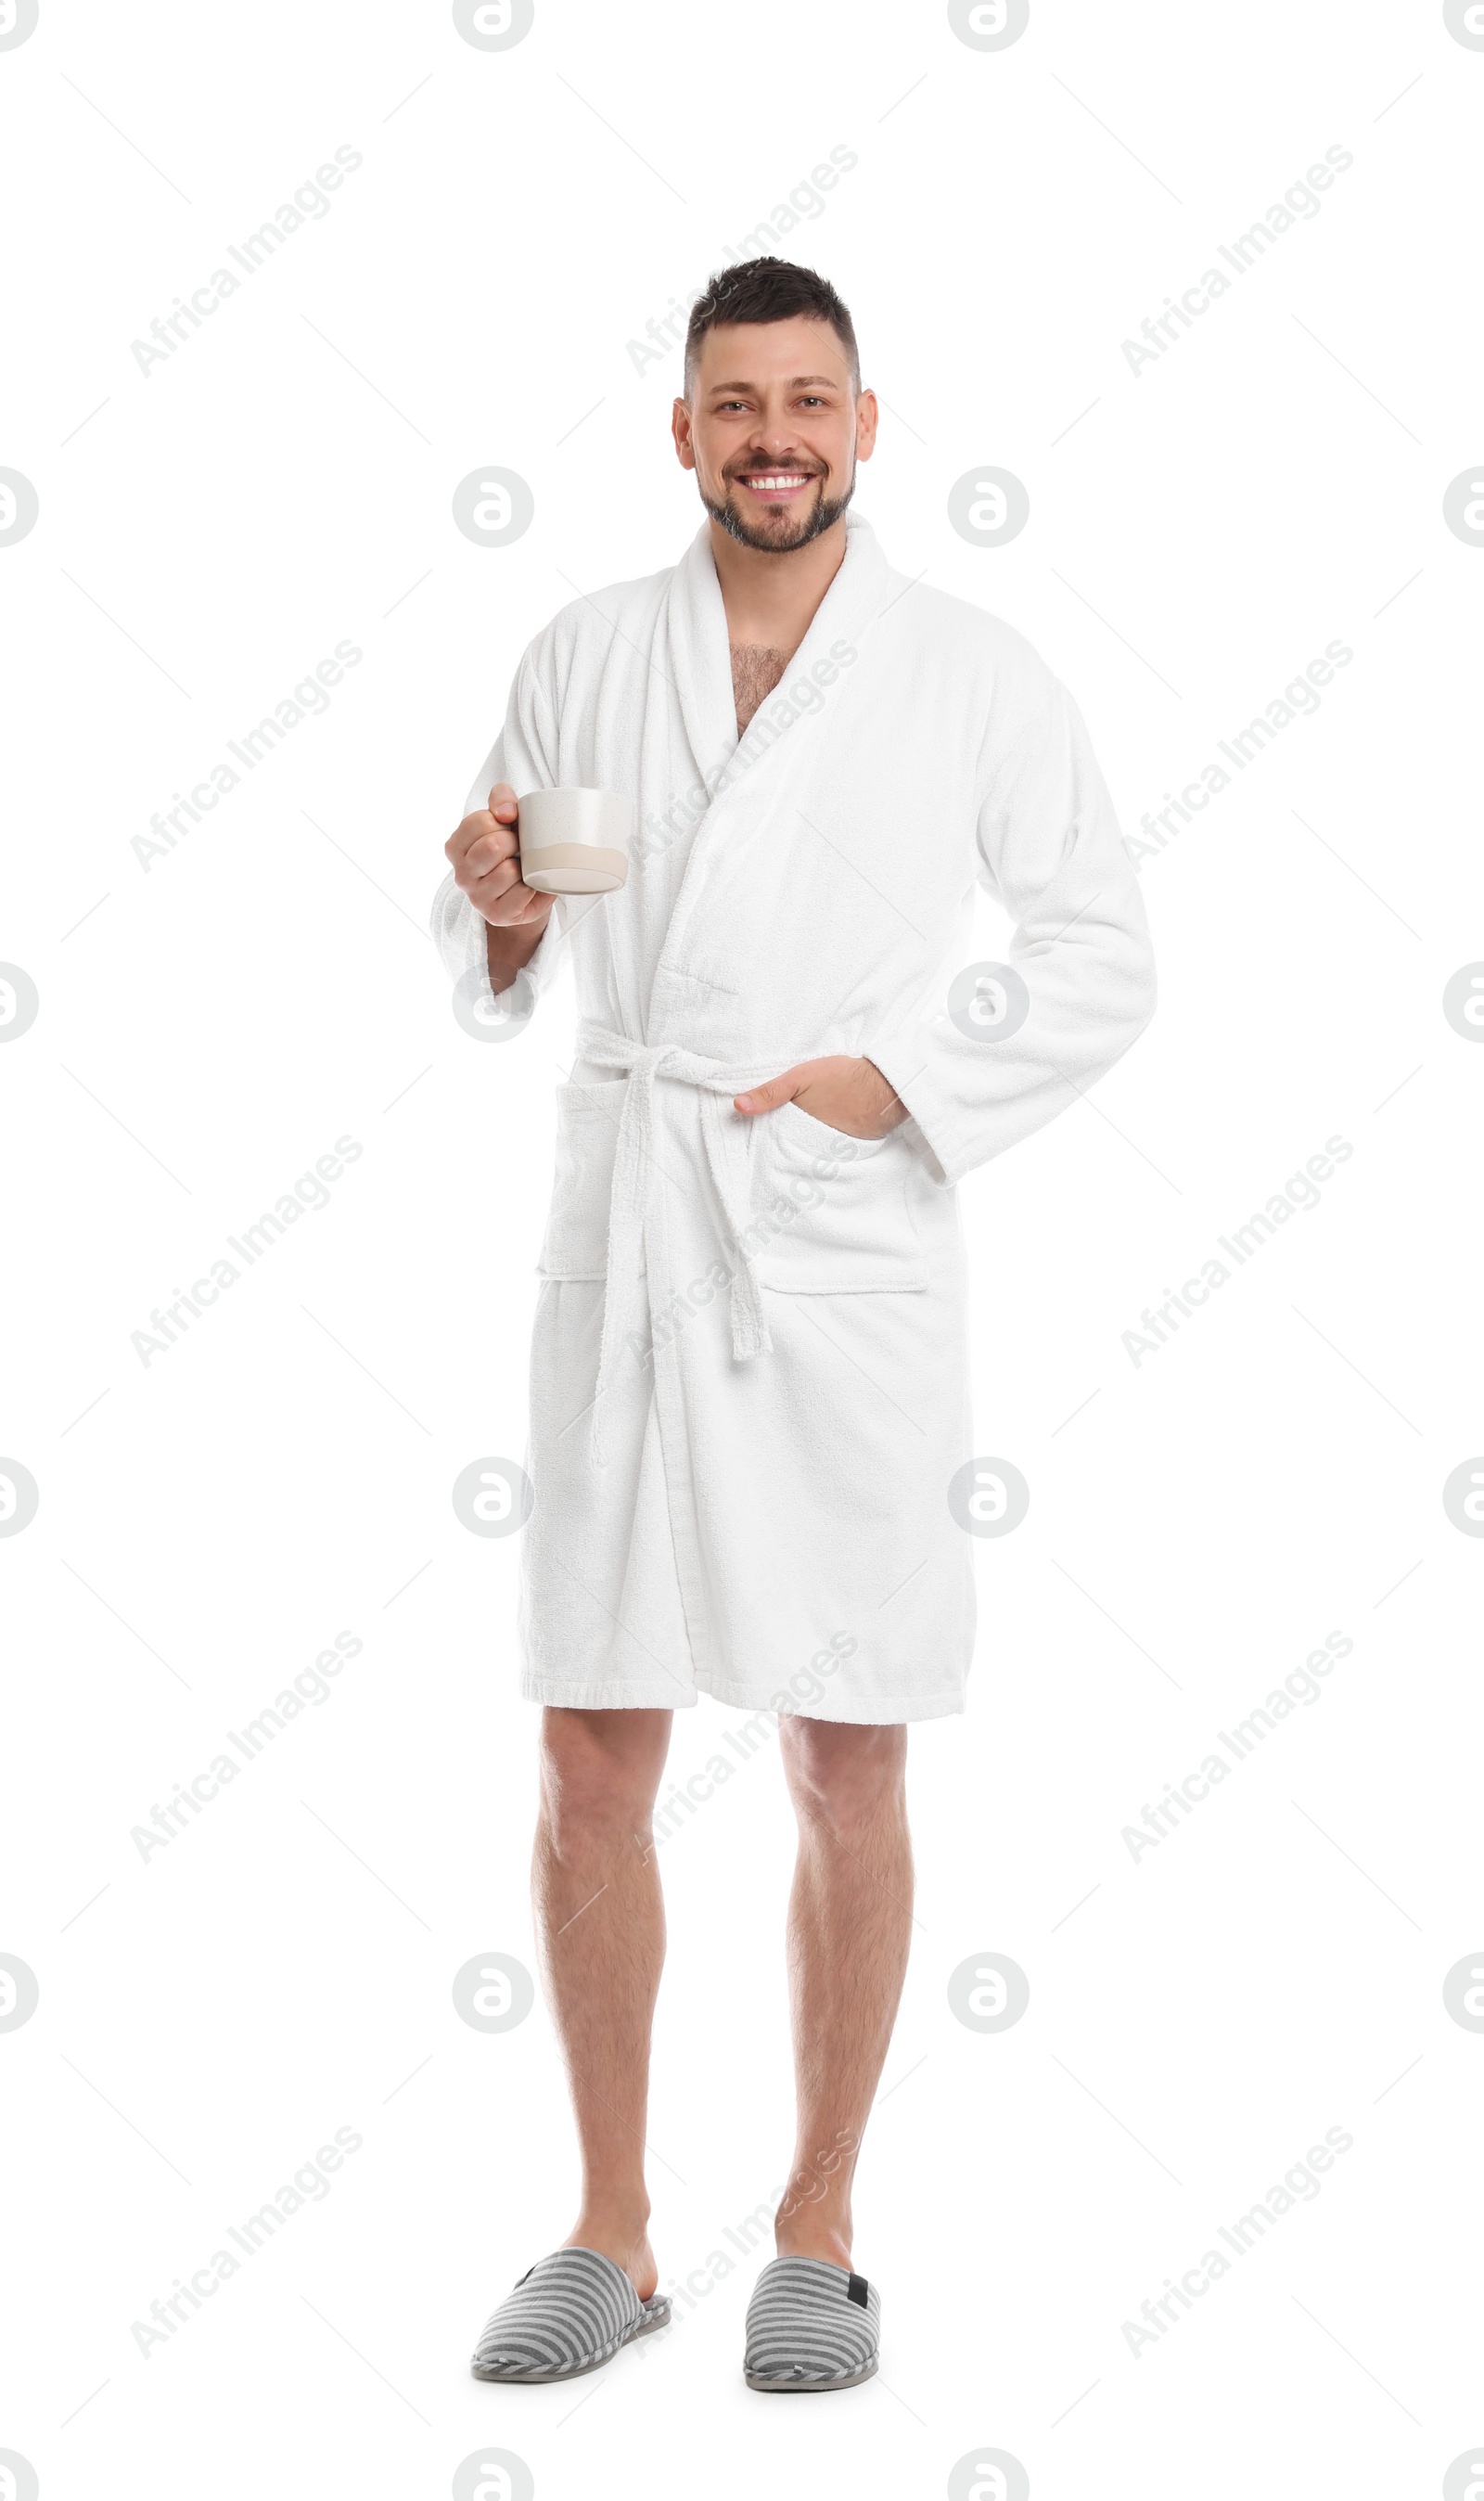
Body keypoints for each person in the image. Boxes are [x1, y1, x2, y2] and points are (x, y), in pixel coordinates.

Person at [432, 257, 1156, 2392]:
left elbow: (1102, 952)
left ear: (864, 425)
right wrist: (492, 911)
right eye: (733, 401)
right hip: (631, 1228)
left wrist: (895, 1079)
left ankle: (821, 2229)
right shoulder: (582, 655)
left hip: (835, 1246)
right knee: (587, 1746)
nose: (772, 435)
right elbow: (525, 918)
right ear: (679, 432)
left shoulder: (967, 674)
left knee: (846, 1745)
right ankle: (611, 2225)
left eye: (808, 401)